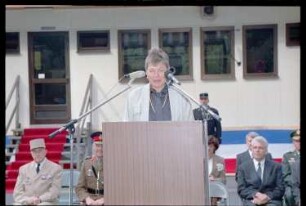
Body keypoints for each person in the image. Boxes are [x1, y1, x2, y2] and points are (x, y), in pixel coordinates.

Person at [123, 47, 193, 121]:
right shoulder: (134, 97)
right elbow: (126, 128)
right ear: (146, 73)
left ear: (167, 72)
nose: (156, 75)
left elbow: (191, 128)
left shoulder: (181, 97)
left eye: (160, 70)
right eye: (152, 71)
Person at [237, 136, 284, 206]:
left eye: (260, 148)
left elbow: (280, 188)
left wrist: (267, 197)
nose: (257, 150)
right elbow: (241, 189)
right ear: (251, 149)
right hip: (251, 200)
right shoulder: (243, 167)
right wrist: (256, 194)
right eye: (255, 147)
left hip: (271, 200)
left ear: (266, 150)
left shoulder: (276, 167)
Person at [13, 138, 62, 205]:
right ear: (31, 153)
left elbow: (54, 192)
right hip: (28, 201)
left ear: (45, 151)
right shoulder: (23, 169)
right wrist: (28, 200)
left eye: (40, 151)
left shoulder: (55, 168)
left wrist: (40, 199)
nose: (37, 154)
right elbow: (17, 193)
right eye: (34, 151)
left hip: (46, 201)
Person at [76, 131, 104, 205]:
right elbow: (79, 187)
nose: (100, 149)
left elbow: (118, 188)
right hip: (89, 200)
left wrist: (105, 199)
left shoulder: (112, 164)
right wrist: (86, 198)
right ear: (93, 147)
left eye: (102, 146)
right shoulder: (86, 163)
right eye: (97, 146)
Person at [281, 129, 300, 206]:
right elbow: (286, 175)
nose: (299, 143)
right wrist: (296, 182)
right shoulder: (287, 156)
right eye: (297, 141)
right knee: (289, 194)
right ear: (293, 142)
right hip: (292, 185)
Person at [207, 135, 226, 206]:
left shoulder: (220, 160)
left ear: (215, 148)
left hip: (214, 192)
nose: (208, 148)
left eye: (211, 146)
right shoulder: (198, 160)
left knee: (213, 195)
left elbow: (223, 180)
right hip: (200, 191)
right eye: (207, 145)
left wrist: (214, 179)